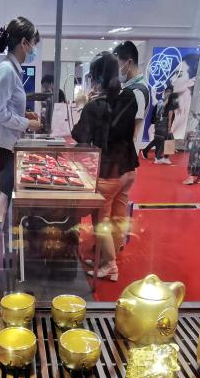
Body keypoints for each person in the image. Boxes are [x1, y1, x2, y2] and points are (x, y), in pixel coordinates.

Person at [72, 52, 138, 282]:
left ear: (96, 77)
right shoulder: (128, 97)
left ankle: (110, 266)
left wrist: (84, 106)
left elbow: (79, 135)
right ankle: (106, 257)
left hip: (109, 171)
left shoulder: (95, 106)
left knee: (102, 220)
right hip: (129, 167)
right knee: (118, 217)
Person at [0, 16, 43, 198]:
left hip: (9, 146)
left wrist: (24, 114)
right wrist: (27, 123)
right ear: (24, 43)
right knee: (2, 203)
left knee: (5, 200)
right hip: (4, 149)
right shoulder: (7, 70)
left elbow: (6, 107)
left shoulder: (12, 69)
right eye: (33, 43)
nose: (34, 49)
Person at [113, 41, 149, 149]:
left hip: (124, 152)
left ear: (129, 63)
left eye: (117, 65)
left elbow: (133, 133)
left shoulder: (137, 91)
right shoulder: (130, 87)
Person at [141, 87, 178, 165]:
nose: (168, 94)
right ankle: (160, 157)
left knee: (159, 140)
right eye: (167, 92)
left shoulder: (169, 103)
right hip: (162, 125)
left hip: (162, 125)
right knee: (165, 140)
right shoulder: (162, 102)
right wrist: (169, 128)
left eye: (170, 92)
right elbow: (162, 113)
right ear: (164, 93)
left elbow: (170, 115)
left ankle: (150, 153)